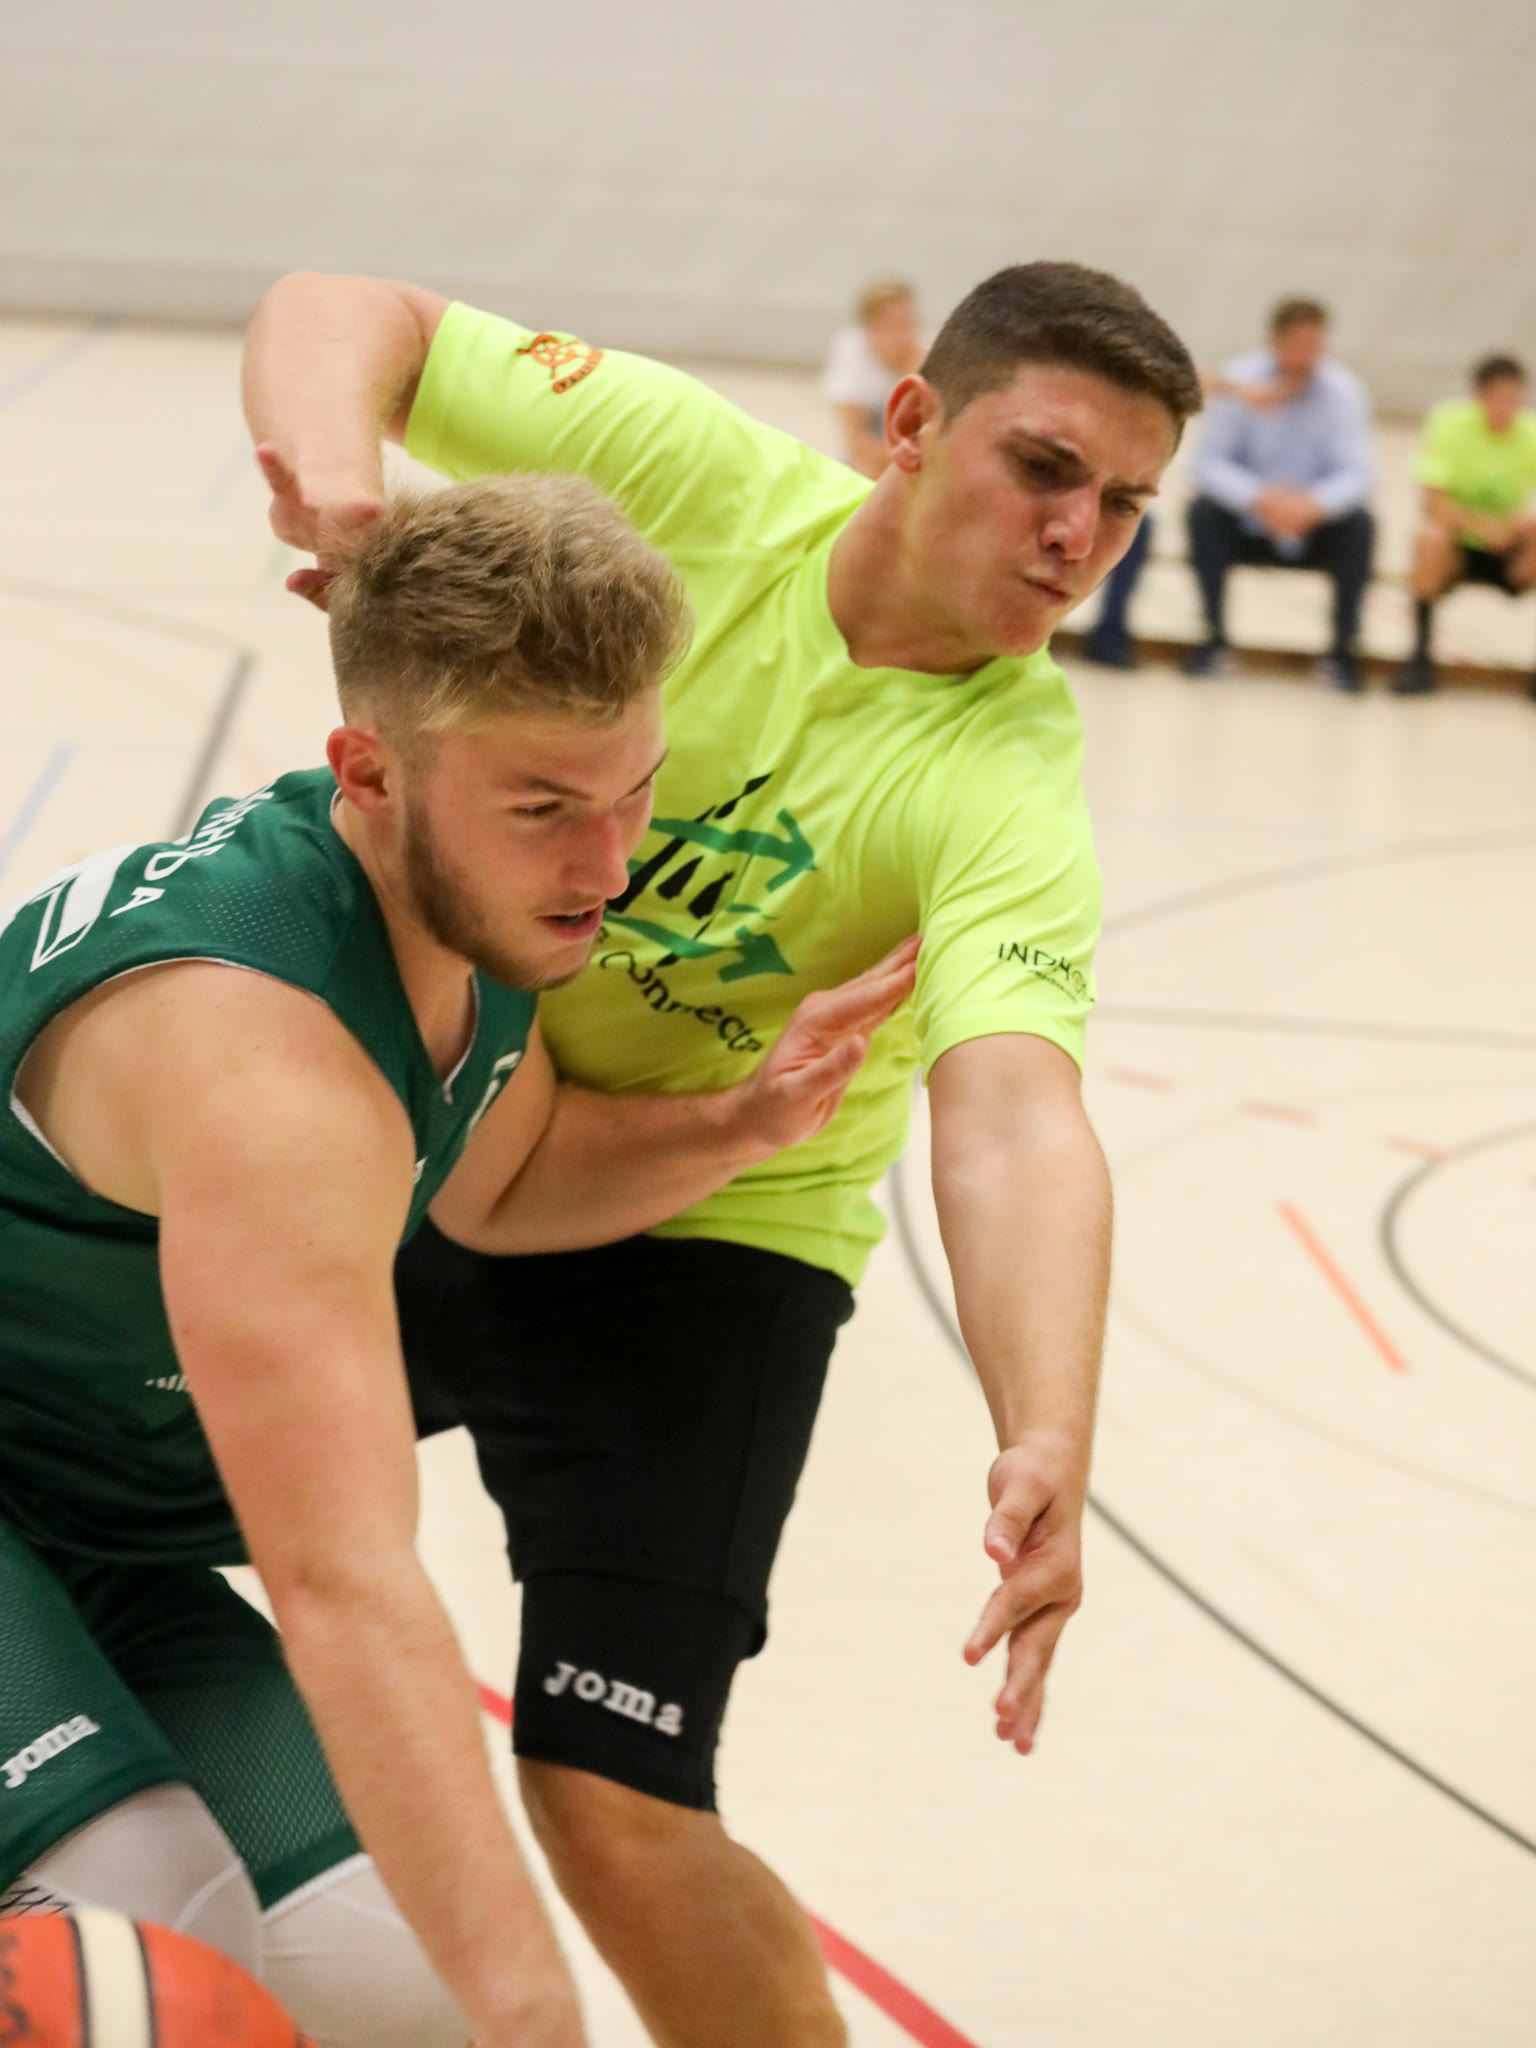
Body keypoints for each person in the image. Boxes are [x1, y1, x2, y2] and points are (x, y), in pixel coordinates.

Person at [243, 258, 1204, 2048]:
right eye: (1046, 468)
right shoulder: (699, 486)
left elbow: (1011, 1113)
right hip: (450, 1118)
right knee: (88, 1472)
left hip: (715, 1236)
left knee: (613, 1803)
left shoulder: (1001, 776)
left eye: (1128, 504)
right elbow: (341, 308)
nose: (1080, 536)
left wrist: (1047, 1424)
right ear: (911, 423)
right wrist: (346, 495)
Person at [0, 476, 917, 2048]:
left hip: (82, 1529)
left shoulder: (458, 911)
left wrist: (741, 1122)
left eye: (634, 794)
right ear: (369, 770)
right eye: (546, 808)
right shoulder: (268, 1069)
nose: (609, 865)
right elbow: (347, 1585)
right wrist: (539, 2022)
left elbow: (510, 1177)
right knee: (143, 1940)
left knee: (400, 1991)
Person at [1183, 297, 1375, 690]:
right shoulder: (1239, 381)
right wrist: (1259, 498)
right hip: (1249, 518)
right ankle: (1213, 640)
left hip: (1315, 522)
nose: (1305, 358)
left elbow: (1359, 474)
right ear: (1275, 342)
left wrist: (1312, 504)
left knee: (1361, 525)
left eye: (1314, 346)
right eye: (1297, 346)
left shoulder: (1344, 391)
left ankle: (1342, 653)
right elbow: (1207, 465)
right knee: (1202, 513)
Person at [1394, 353, 1536, 696]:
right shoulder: (1449, 424)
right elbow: (1433, 503)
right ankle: (1419, 658)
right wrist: (1480, 525)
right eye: (1498, 398)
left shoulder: (1529, 434)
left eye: (1514, 399)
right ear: (1478, 396)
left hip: (1508, 546)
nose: (1506, 408)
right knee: (1428, 538)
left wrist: (1513, 527)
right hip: (1459, 543)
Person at [819, 278, 929, 477]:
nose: (904, 334)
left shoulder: (924, 354)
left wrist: (913, 371)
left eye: (908, 323)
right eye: (891, 325)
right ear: (869, 328)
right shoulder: (851, 350)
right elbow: (855, 440)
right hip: (870, 461)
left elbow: (928, 439)